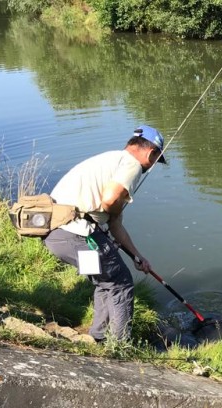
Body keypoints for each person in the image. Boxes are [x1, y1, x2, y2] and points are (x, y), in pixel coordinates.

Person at [43, 125, 167, 343]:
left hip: (57, 235)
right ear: (151, 153)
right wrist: (115, 209)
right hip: (77, 235)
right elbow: (110, 201)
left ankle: (98, 338)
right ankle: (120, 347)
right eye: (156, 161)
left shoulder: (111, 160)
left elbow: (115, 224)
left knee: (106, 281)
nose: (151, 167)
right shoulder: (132, 165)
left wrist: (138, 257)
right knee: (121, 283)